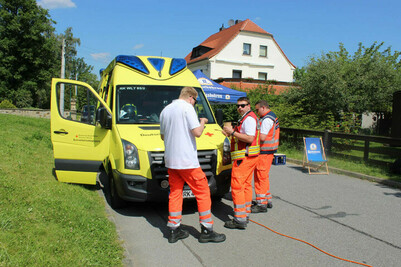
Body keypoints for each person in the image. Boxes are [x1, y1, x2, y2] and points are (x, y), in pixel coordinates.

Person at [160, 86, 226, 243]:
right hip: (187, 161)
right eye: (195, 101)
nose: (194, 104)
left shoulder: (165, 111)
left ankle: (174, 229)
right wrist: (202, 122)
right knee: (203, 191)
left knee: (175, 193)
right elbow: (197, 132)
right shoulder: (187, 108)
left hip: (171, 160)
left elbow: (163, 136)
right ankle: (206, 230)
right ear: (191, 97)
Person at [222, 97, 260, 229]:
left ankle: (239, 219)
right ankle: (245, 212)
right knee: (246, 186)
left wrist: (232, 132)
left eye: (242, 105)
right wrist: (232, 134)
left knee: (237, 187)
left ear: (248, 106)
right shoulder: (248, 117)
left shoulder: (249, 119)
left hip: (244, 158)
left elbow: (249, 137)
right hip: (250, 157)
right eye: (238, 106)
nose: (240, 108)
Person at [252, 100, 279, 213]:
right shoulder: (271, 117)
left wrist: (250, 136)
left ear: (263, 108)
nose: (257, 112)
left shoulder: (267, 119)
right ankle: (266, 199)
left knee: (260, 177)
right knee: (264, 177)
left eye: (257, 109)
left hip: (264, 152)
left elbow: (262, 137)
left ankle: (261, 203)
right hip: (268, 151)